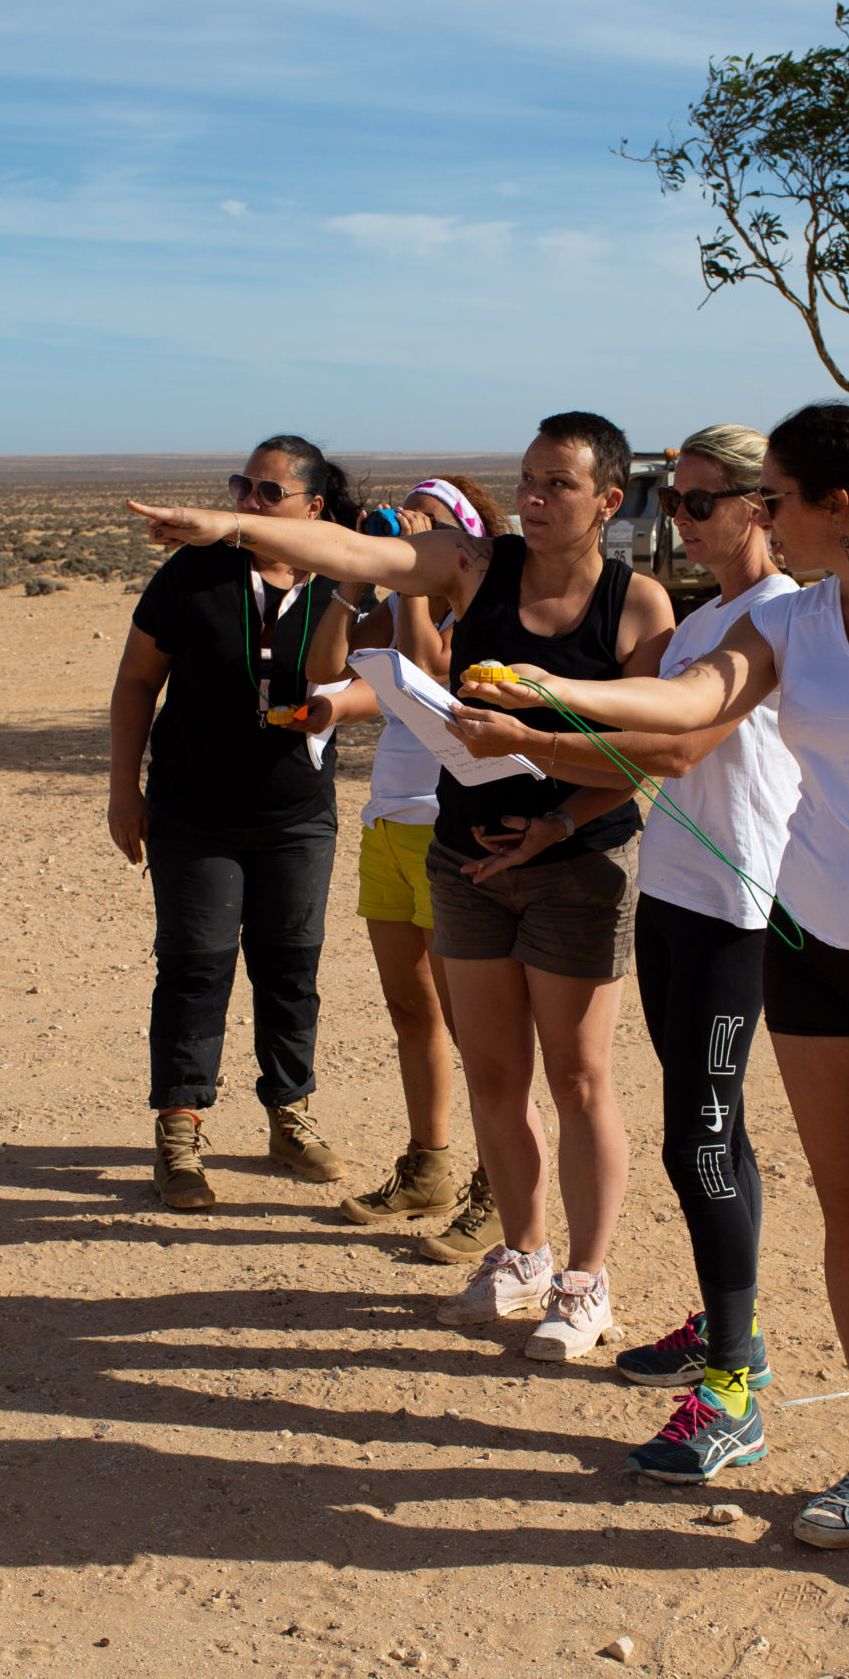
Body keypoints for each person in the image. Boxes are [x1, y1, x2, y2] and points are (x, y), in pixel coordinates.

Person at [456, 403, 849, 1630]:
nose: (753, 519)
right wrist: (546, 698)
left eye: (770, 497)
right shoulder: (790, 618)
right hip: (819, 952)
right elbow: (694, 706)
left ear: (840, 503)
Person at [132, 412, 676, 1362]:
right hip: (467, 860)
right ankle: (524, 1254)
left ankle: (586, 1281)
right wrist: (231, 530)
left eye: (558, 484)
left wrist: (551, 810)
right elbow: (348, 549)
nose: (537, 498)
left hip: (575, 864)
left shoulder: (640, 609)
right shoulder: (475, 564)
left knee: (580, 1077)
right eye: (530, 480)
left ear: (609, 501)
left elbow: (648, 753)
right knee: (496, 1076)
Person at [449, 424, 800, 1482]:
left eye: (701, 503)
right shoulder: (706, 617)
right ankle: (722, 1327)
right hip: (676, 897)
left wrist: (535, 724)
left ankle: (732, 1387)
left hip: (743, 908)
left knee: (702, 1135)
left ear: (760, 508)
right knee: (701, 1132)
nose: (678, 522)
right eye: (673, 501)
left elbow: (678, 742)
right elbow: (643, 748)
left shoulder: (777, 615)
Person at [107, 434, 381, 1210]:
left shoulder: (346, 582)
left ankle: (288, 1113)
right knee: (194, 966)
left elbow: (387, 677)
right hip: (193, 811)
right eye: (242, 487)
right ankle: (181, 1128)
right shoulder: (194, 572)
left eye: (269, 493)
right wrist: (124, 789)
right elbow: (136, 682)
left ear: (314, 508)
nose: (248, 504)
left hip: (296, 815)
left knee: (291, 967)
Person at [303, 474, 509, 1262]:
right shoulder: (389, 605)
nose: (404, 534)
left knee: (475, 1025)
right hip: (387, 822)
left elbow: (433, 677)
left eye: (423, 526)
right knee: (410, 1008)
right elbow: (327, 670)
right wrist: (354, 586)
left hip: (446, 830)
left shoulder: (481, 611)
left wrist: (414, 584)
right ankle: (428, 1165)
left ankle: (499, 1185)